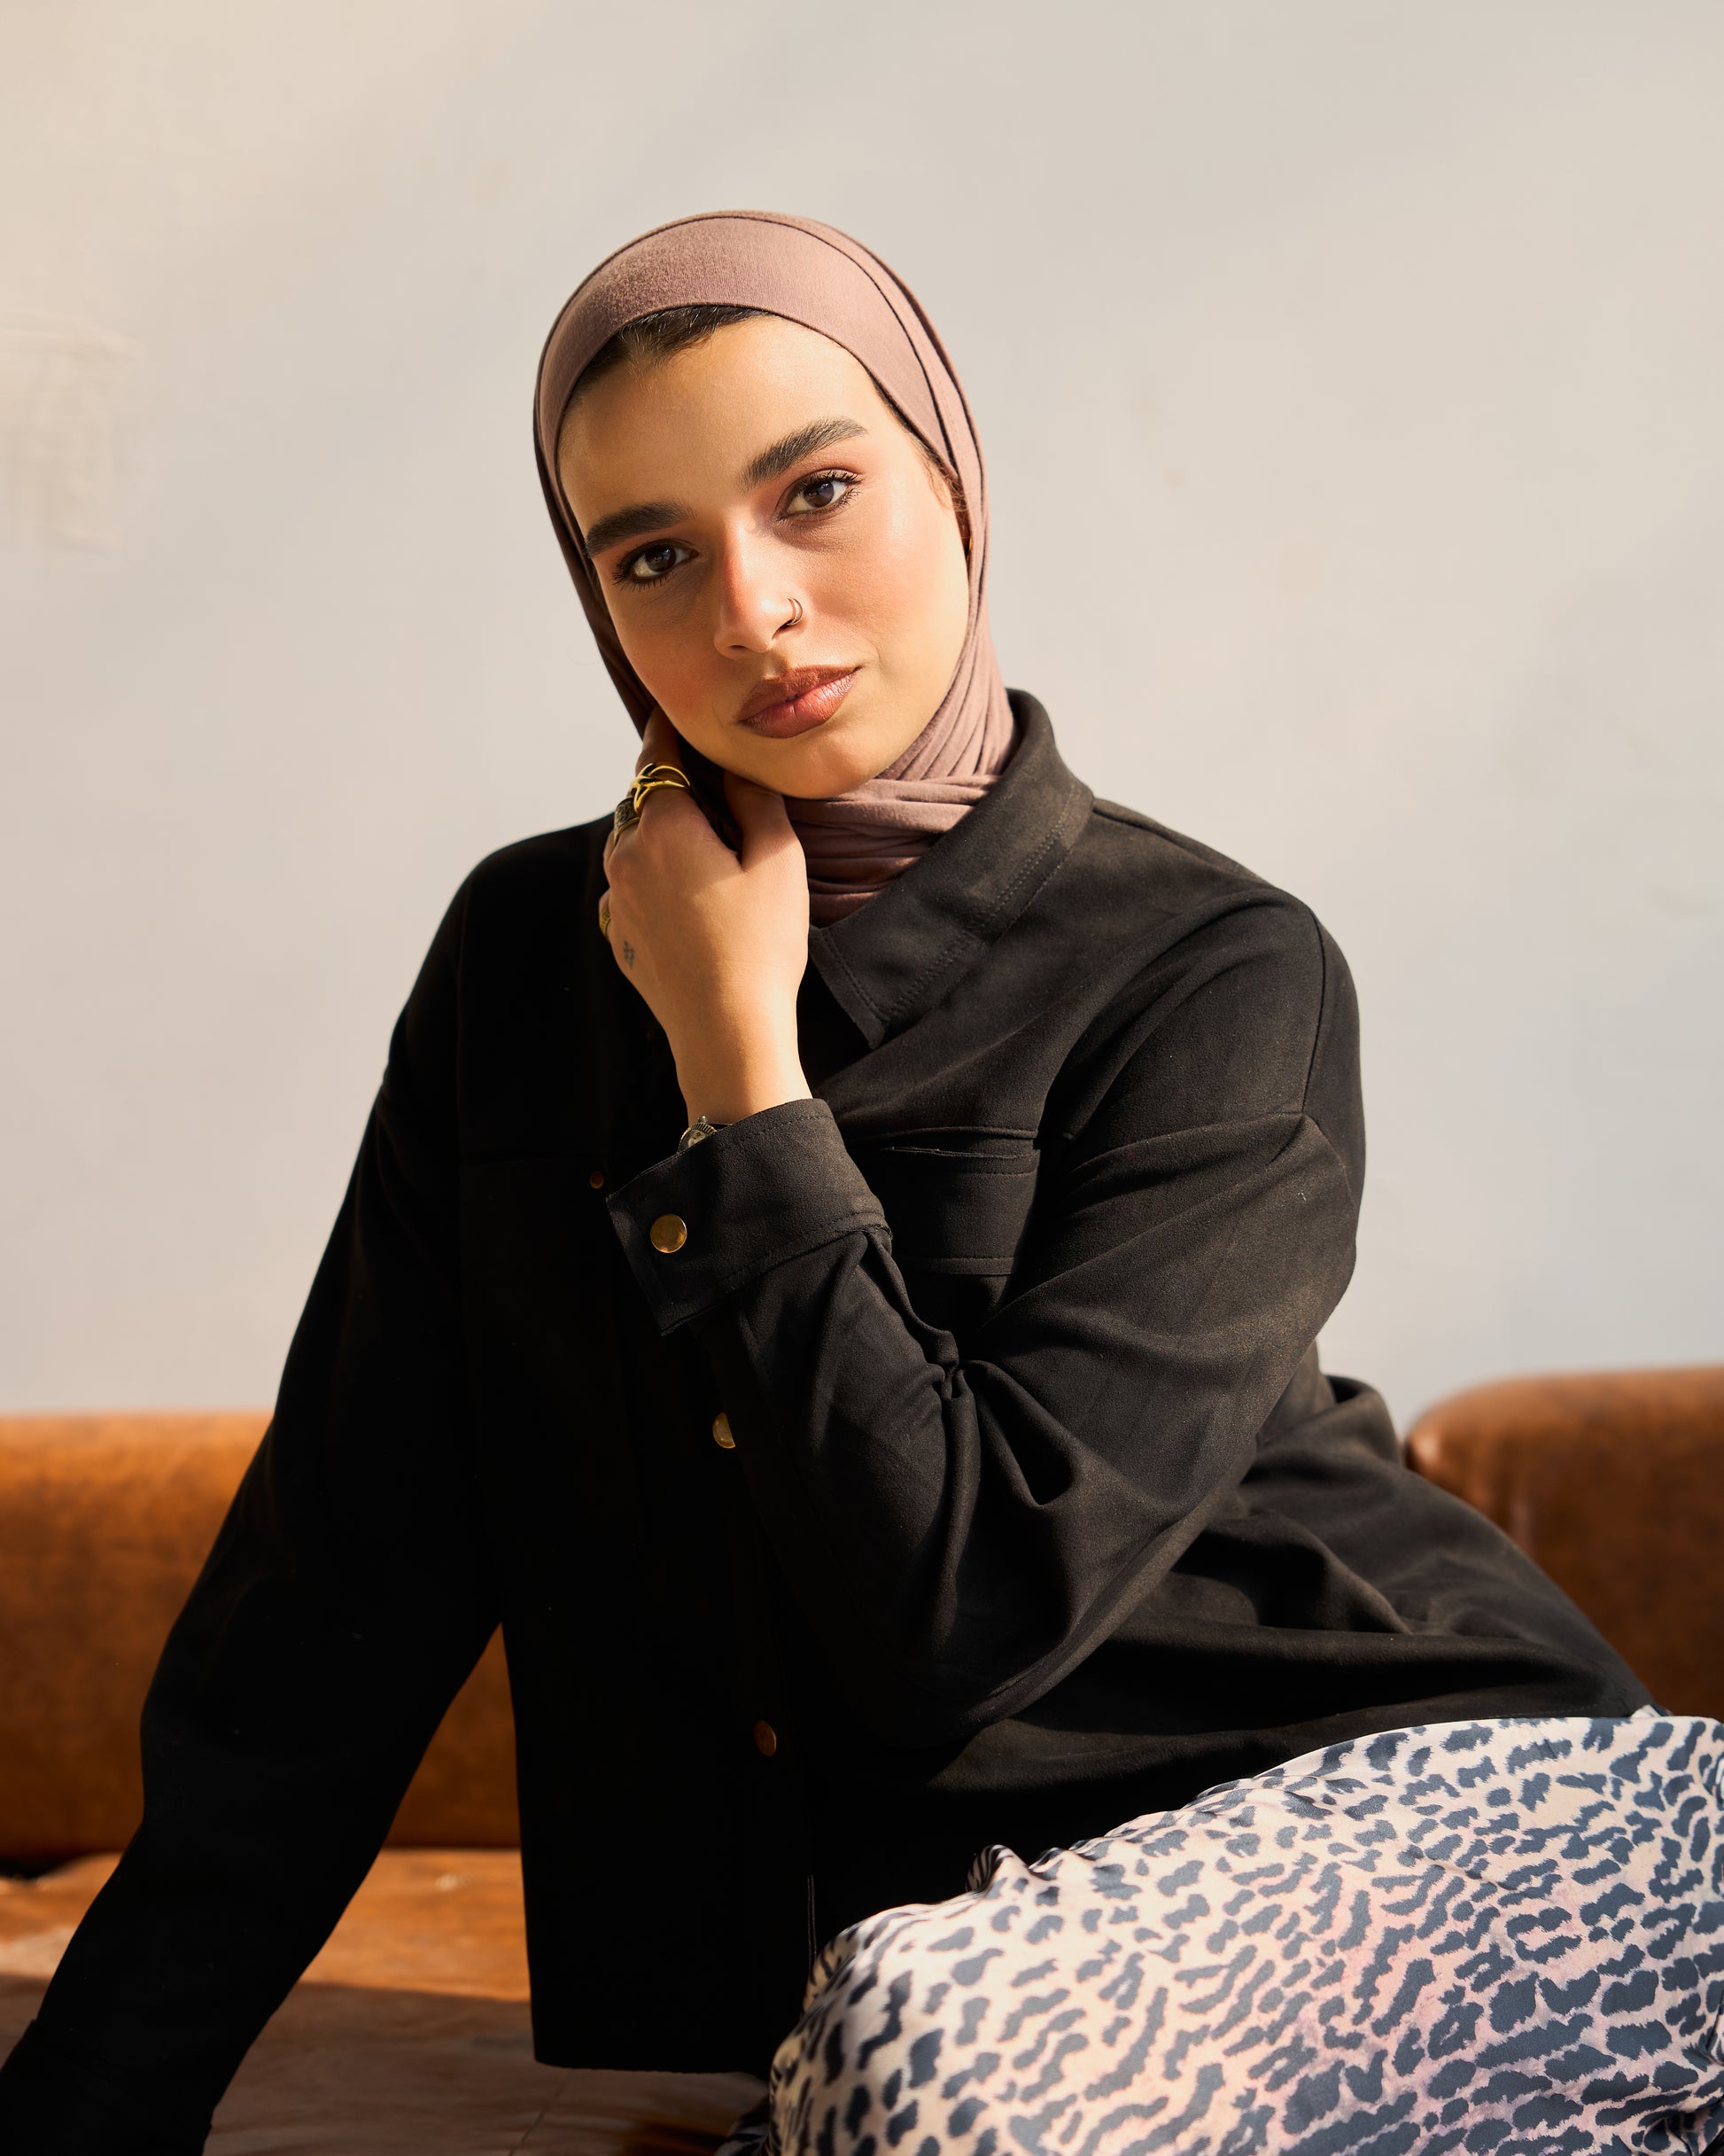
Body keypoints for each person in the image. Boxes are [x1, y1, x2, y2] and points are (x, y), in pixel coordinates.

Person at [2, 212, 1718, 2154]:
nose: (752, 608)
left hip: (1452, 1821)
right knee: (909, 2059)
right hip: (976, 1993)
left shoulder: (1211, 966)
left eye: (813, 492)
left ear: (953, 480)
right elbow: (339, 1586)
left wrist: (739, 1069)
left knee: (919, 2064)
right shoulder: (520, 963)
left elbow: (961, 1616)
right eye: (653, 554)